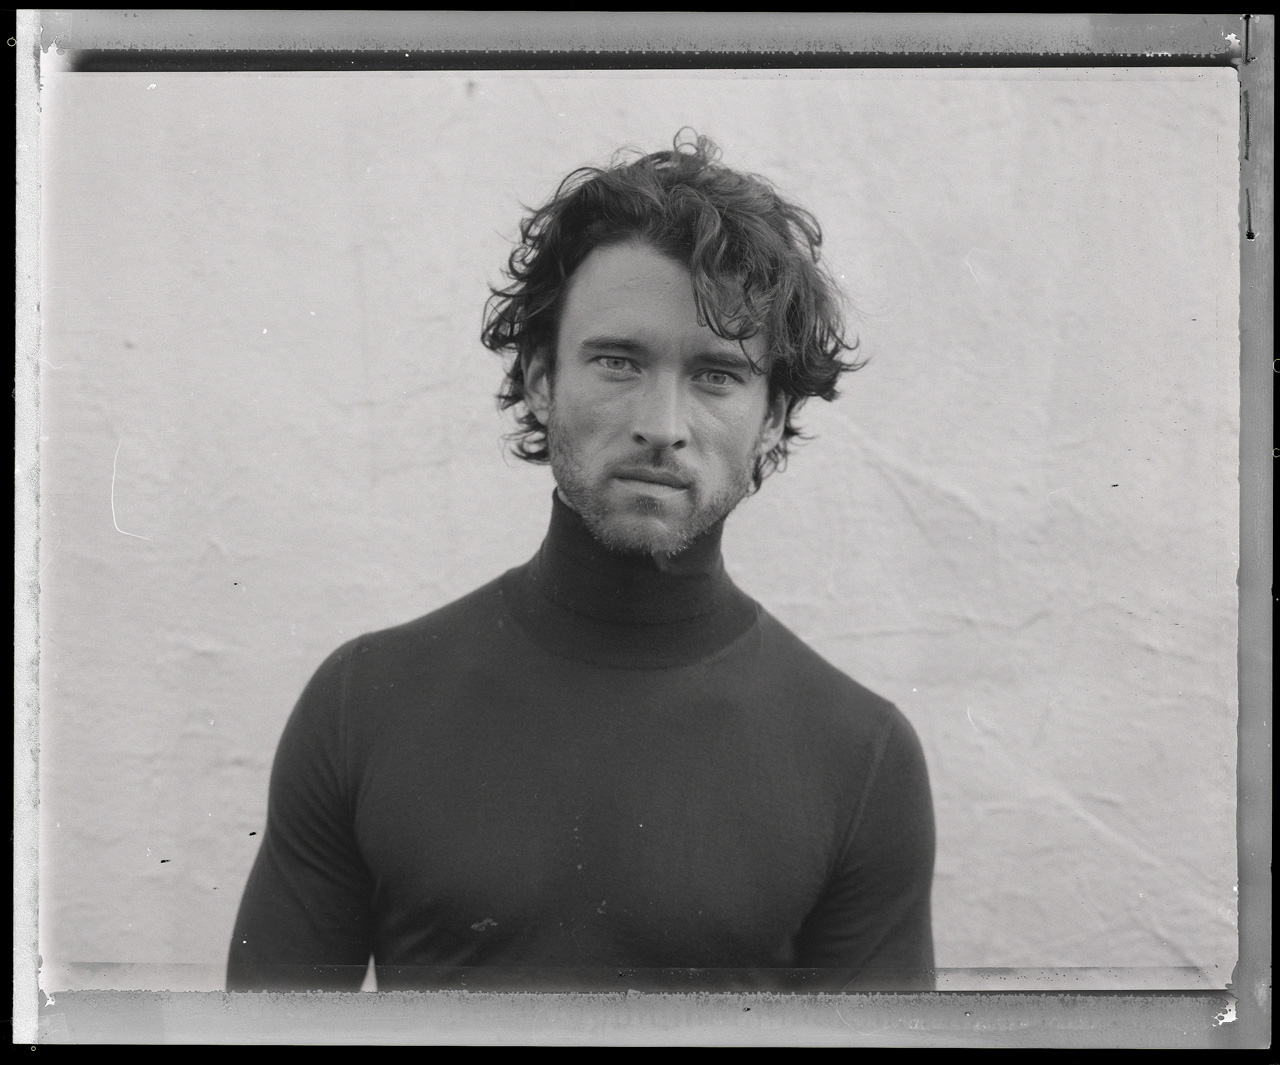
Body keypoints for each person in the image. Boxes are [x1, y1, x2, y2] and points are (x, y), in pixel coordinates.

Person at [227, 132, 935, 993]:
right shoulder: (362, 703)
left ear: (774, 417)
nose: (661, 425)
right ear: (539, 378)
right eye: (618, 361)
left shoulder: (860, 757)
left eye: (716, 374)